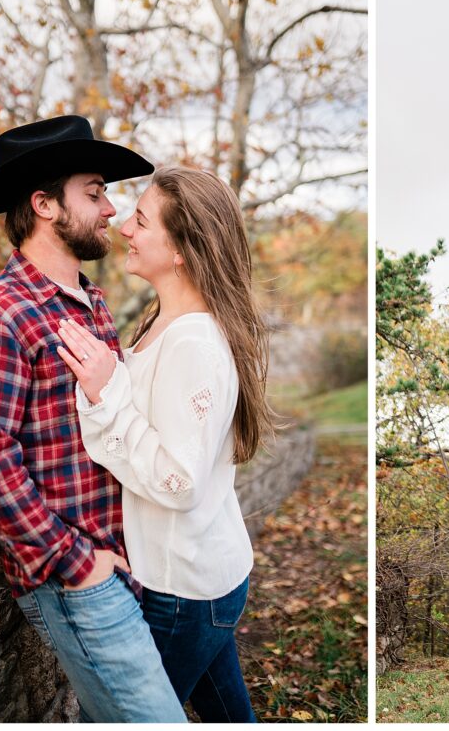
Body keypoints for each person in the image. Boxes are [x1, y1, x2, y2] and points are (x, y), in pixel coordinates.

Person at [0, 115, 187, 723]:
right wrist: (78, 563)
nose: (111, 209)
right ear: (44, 204)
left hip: (126, 565)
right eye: (95, 191)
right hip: (77, 582)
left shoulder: (91, 301)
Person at [55, 166, 273, 722]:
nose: (125, 227)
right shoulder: (164, 323)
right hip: (203, 579)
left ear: (181, 250)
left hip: (184, 593)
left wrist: (106, 397)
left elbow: (179, 482)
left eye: (143, 221)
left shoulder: (194, 343)